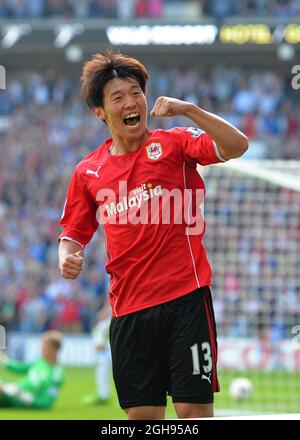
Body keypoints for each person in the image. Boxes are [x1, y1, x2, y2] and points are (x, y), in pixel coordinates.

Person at [58, 50, 248, 420]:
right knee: (142, 417)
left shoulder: (175, 144)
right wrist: (66, 255)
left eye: (136, 93)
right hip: (128, 310)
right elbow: (73, 232)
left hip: (186, 301)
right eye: (118, 97)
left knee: (193, 411)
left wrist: (190, 110)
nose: (131, 102)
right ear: (100, 111)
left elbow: (237, 145)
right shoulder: (88, 172)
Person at [0, 330, 64, 409]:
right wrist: (4, 361)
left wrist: (22, 395)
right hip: (12, 389)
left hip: (17, 399)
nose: (41, 350)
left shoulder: (56, 375)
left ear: (55, 349)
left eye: (45, 348)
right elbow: (21, 368)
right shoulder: (41, 361)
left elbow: (46, 403)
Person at [82, 303, 112, 405]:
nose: (100, 313)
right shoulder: (102, 323)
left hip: (105, 353)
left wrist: (101, 346)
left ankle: (103, 395)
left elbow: (104, 340)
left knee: (103, 374)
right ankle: (103, 394)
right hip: (102, 353)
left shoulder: (106, 324)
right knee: (102, 374)